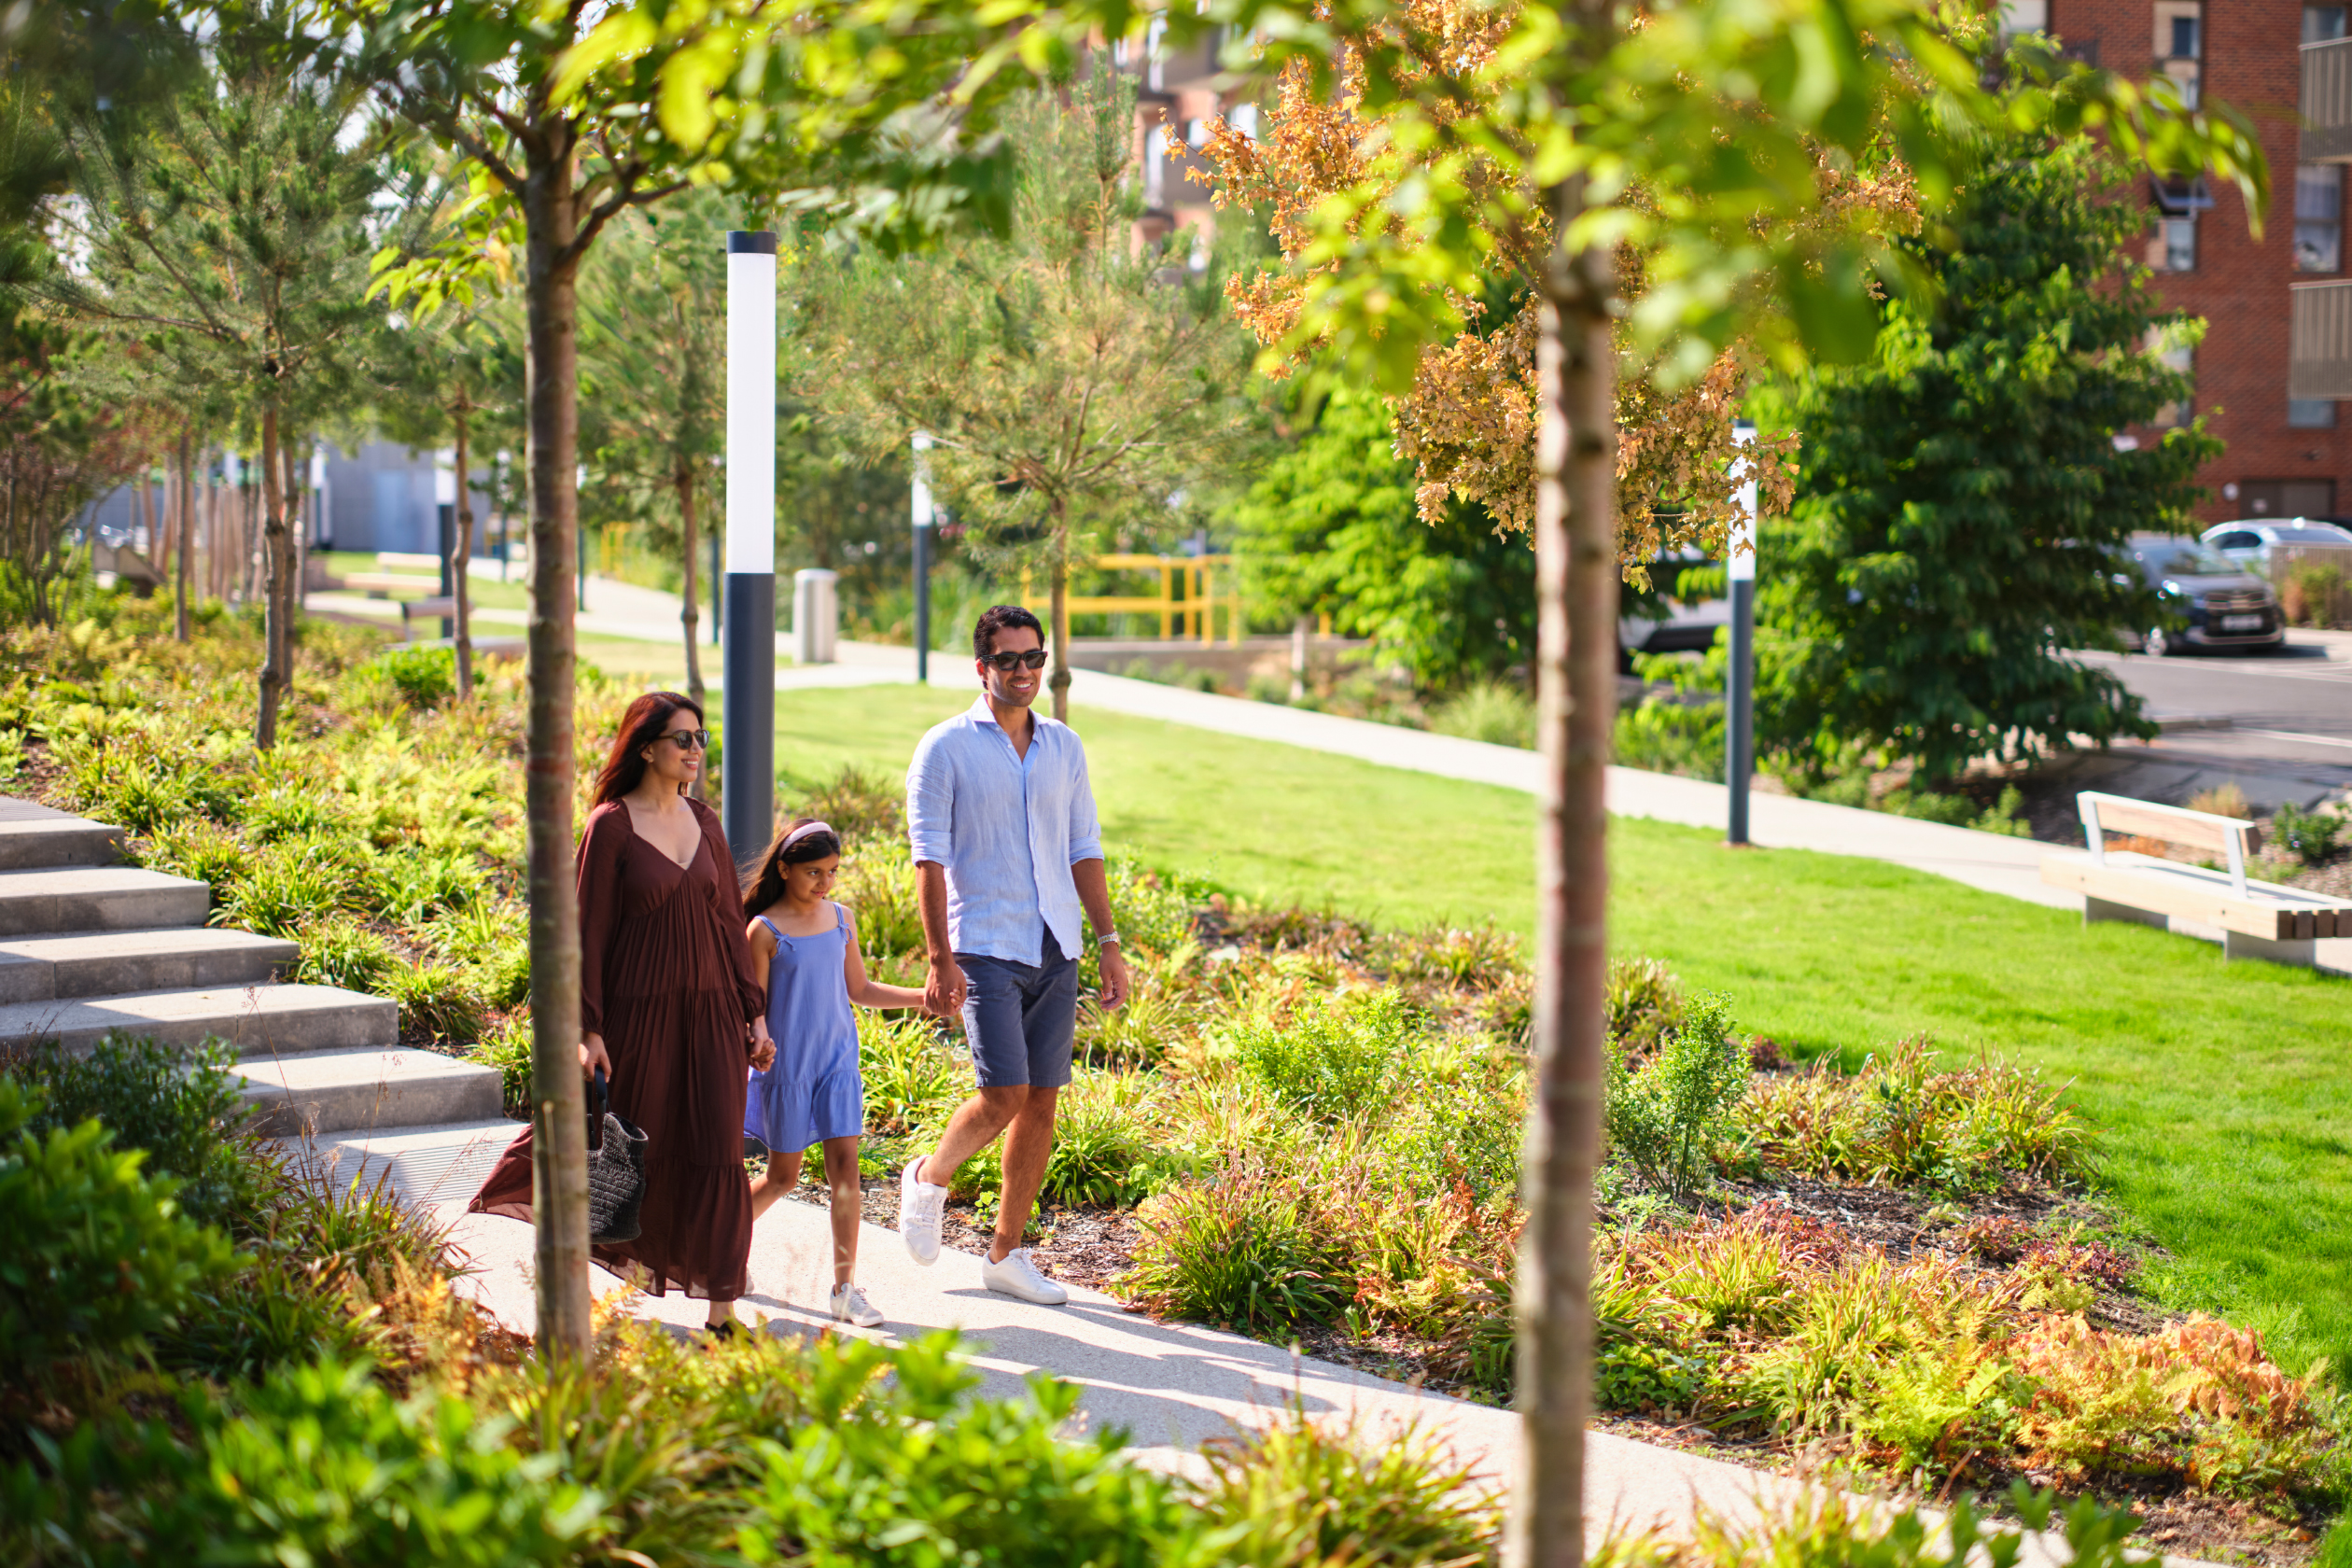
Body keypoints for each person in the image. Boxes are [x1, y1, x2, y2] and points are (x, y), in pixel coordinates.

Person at [470, 691, 775, 1338]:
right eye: (682, 739)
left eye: (701, 738)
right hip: (639, 1019)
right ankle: (583, 1293)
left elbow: (728, 925)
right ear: (646, 748)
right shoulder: (610, 825)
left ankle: (722, 1314)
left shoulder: (707, 822)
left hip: (713, 1016)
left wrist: (755, 1015)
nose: (695, 751)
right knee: (628, 1153)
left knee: (719, 1148)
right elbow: (586, 933)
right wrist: (588, 1029)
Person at [896, 605, 1130, 1304]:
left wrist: (1110, 942)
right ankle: (929, 1177)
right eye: (1008, 660)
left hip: (1056, 944)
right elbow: (928, 861)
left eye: (1034, 658)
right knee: (1003, 1094)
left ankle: (1006, 1254)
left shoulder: (1064, 746)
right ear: (982, 667)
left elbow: (1083, 846)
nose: (1024, 671)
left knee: (1043, 1106)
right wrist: (941, 959)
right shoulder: (944, 748)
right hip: (984, 948)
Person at [739, 816, 931, 1328]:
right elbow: (754, 1006)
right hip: (789, 1068)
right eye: (813, 873)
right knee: (782, 1177)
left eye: (832, 871)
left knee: (847, 1170)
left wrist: (922, 1000)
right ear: (784, 869)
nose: (825, 883)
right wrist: (757, 1036)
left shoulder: (841, 918)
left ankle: (845, 1288)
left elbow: (861, 990)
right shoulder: (764, 930)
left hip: (837, 1063)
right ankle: (722, 1246)